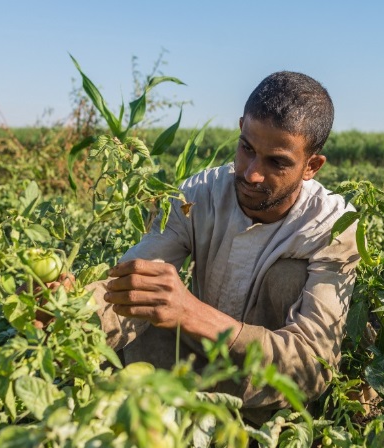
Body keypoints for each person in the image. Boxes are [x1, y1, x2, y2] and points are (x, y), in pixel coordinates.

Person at [87, 71, 360, 424]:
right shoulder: (197, 196)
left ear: (312, 166)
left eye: (276, 162)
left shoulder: (331, 226)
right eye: (247, 149)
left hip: (269, 392)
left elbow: (311, 365)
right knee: (147, 295)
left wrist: (190, 312)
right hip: (188, 365)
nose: (251, 174)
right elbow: (129, 286)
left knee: (287, 278)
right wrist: (69, 312)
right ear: (241, 128)